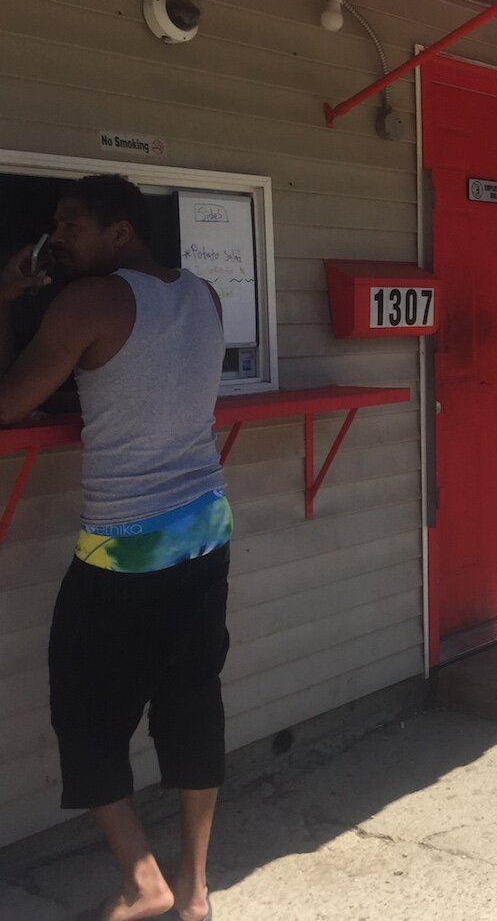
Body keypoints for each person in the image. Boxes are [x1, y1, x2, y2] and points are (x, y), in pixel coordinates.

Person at [0, 174, 231, 921]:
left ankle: (143, 880)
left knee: (85, 711)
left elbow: (8, 402)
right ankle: (196, 888)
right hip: (206, 530)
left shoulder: (89, 301)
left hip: (127, 548)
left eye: (72, 224)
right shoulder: (203, 294)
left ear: (122, 231)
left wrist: (5, 298)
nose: (58, 237)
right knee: (192, 701)